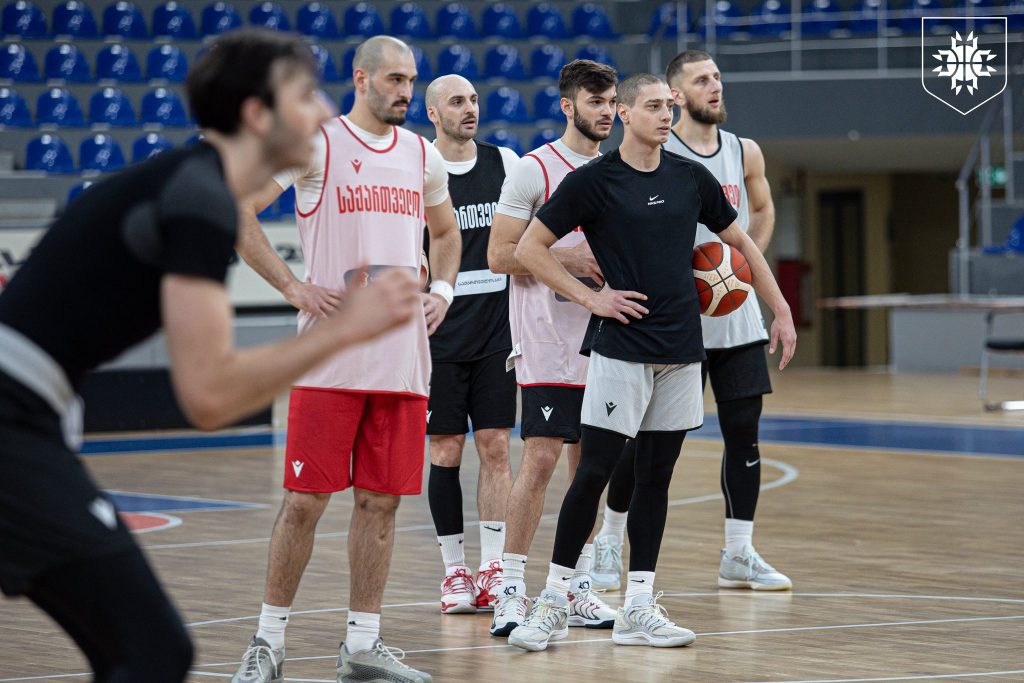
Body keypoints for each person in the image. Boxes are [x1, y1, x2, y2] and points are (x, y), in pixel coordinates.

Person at [0, 30, 422, 682]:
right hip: (11, 420)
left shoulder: (196, 188)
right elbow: (209, 397)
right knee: (153, 650)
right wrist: (343, 330)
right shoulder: (197, 199)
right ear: (258, 115)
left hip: (32, 419)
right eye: (305, 95)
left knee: (145, 649)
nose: (323, 109)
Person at [507, 73, 797, 652]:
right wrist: (591, 299)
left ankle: (639, 605)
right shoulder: (594, 181)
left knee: (655, 478)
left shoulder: (691, 178)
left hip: (681, 353)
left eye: (669, 105)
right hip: (621, 350)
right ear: (624, 114)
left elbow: (741, 245)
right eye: (654, 106)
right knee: (594, 472)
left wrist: (781, 309)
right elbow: (527, 248)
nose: (667, 115)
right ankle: (552, 602)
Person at [229, 35, 461, 683]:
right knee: (305, 501)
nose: (406, 91)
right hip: (330, 359)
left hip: (403, 363)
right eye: (394, 79)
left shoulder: (422, 154)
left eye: (411, 80)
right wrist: (293, 287)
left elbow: (446, 232)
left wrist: (442, 290)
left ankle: (362, 645)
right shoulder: (318, 144)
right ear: (361, 78)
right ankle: (267, 642)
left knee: (381, 506)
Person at [485, 59, 626, 638]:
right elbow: (499, 255)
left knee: (589, 469)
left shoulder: (623, 170)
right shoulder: (534, 168)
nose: (607, 112)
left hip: (606, 339)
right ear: (568, 106)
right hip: (545, 338)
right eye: (596, 102)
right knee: (541, 460)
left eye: (612, 101)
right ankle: (509, 590)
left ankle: (576, 586)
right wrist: (565, 256)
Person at [664, 50, 792, 591]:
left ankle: (739, 553)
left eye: (717, 77)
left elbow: (762, 210)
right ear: (676, 95)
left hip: (737, 322)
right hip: (677, 323)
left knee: (744, 435)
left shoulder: (744, 151)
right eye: (702, 80)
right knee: (655, 444)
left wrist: (742, 266)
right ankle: (609, 541)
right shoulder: (660, 151)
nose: (715, 86)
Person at [421, 74, 520, 613]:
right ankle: (454, 571)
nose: (470, 108)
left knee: (496, 446)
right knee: (445, 450)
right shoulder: (420, 169)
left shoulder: (505, 164)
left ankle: (493, 567)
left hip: (496, 334)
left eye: (474, 100)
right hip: (438, 336)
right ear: (433, 113)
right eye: (457, 101)